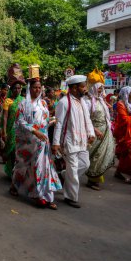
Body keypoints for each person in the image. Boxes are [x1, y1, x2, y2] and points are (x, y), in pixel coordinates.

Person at [11, 77, 62, 209]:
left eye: (40, 87)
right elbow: (20, 121)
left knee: (43, 167)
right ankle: (15, 185)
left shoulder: (44, 103)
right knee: (23, 166)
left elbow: (43, 120)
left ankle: (44, 197)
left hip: (43, 141)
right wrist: (35, 131)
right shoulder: (24, 104)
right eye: (35, 87)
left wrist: (51, 122)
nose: (38, 90)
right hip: (28, 141)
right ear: (29, 88)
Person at [52, 75, 95, 208]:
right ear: (75, 88)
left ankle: (65, 175)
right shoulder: (64, 102)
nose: (85, 89)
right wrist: (56, 142)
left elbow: (87, 119)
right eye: (83, 86)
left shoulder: (82, 102)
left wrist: (91, 133)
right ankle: (70, 197)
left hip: (82, 141)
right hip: (69, 141)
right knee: (74, 167)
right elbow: (58, 124)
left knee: (85, 164)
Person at [84, 82, 115, 190]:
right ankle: (91, 179)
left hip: (105, 130)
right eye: (99, 88)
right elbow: (86, 119)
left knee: (102, 155)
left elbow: (107, 117)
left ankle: (96, 178)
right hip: (95, 132)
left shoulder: (101, 101)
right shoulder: (87, 102)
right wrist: (95, 130)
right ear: (93, 88)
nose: (101, 90)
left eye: (102, 88)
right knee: (95, 156)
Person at [113, 86, 131, 186]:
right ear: (126, 93)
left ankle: (118, 171)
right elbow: (123, 119)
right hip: (126, 131)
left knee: (125, 153)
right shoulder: (121, 104)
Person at [2, 82, 24, 177]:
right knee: (12, 152)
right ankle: (11, 171)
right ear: (12, 90)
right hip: (11, 130)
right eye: (15, 88)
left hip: (21, 130)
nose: (17, 90)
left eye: (19, 88)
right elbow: (5, 117)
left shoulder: (23, 100)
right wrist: (4, 131)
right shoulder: (8, 101)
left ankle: (17, 173)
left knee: (18, 152)